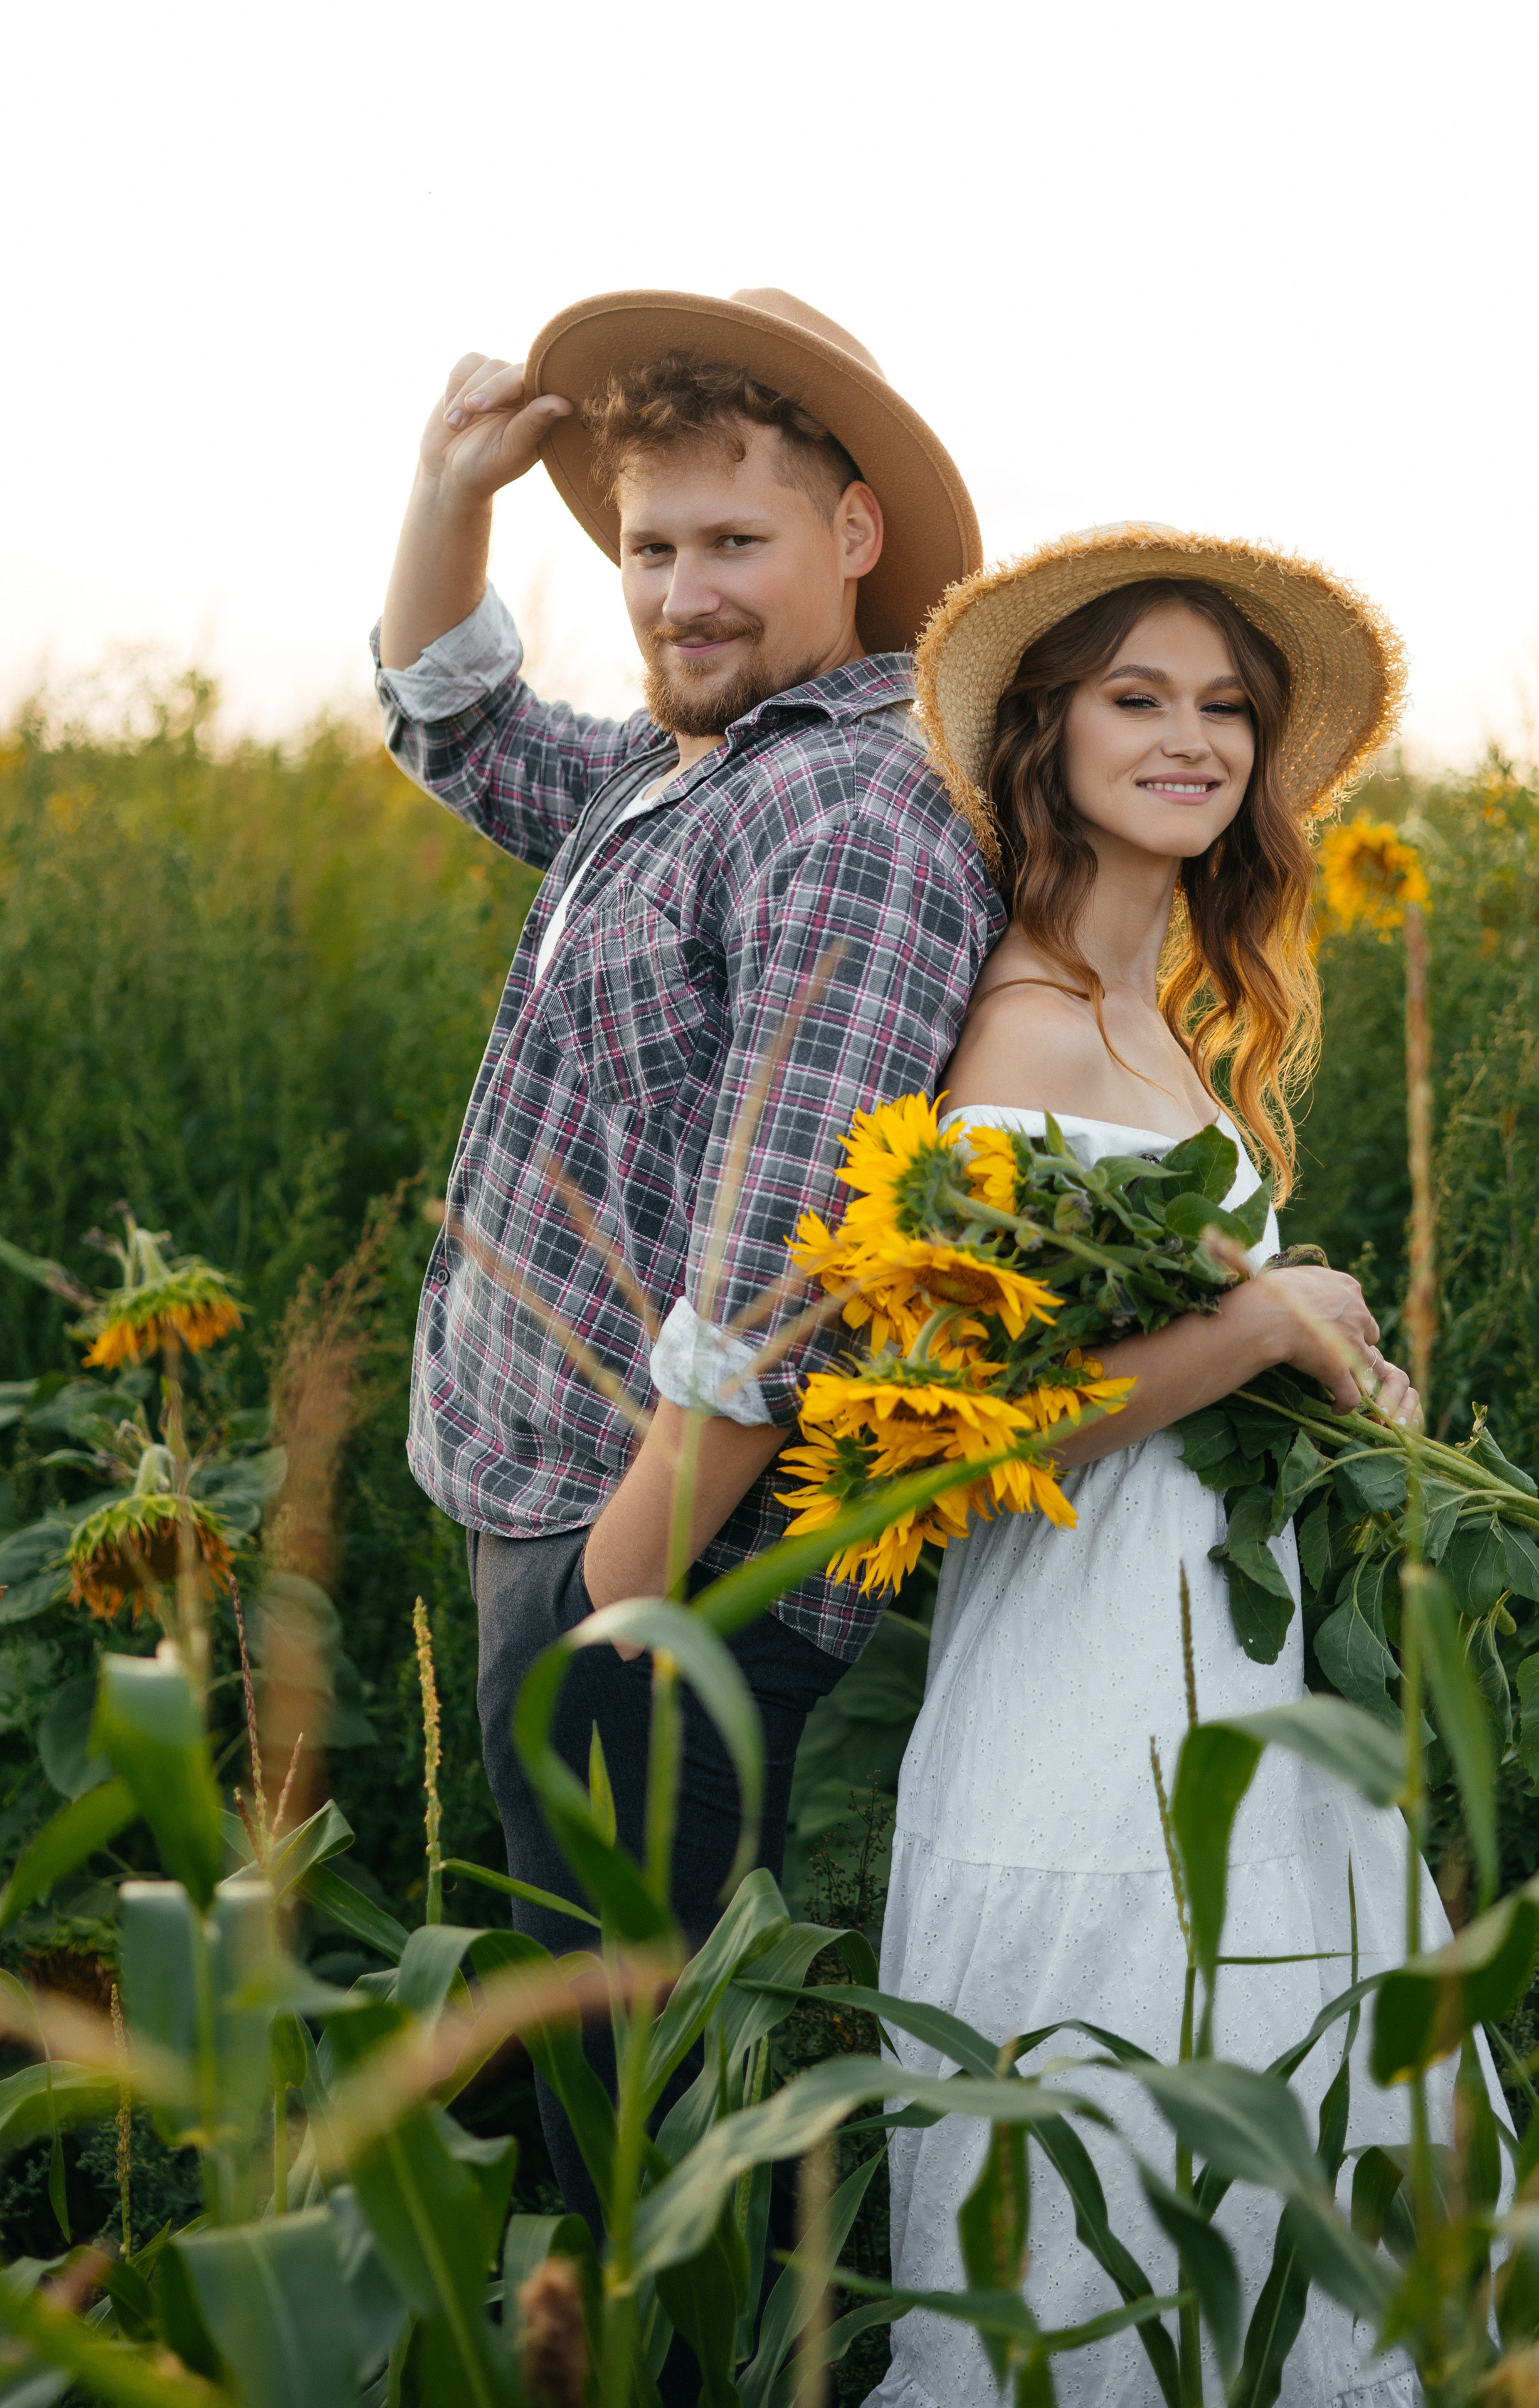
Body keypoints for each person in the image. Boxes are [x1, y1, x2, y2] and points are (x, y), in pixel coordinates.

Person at [371, 287, 1003, 2240]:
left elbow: (790, 1253)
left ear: (855, 533)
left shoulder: (855, 803)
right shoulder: (696, 769)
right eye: (650, 550)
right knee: (604, 2080)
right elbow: (460, 727)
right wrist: (451, 491)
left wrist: (619, 1594)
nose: (682, 593)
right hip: (563, 1497)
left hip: (664, 1556)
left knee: (670, 2141)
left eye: (735, 541)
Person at [863, 525, 1489, 2408]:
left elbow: (1201, 1358)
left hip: (1237, 1656)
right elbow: (965, 1438)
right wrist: (1263, 1324)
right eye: (1138, 698)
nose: (1192, 738)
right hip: (1088, 1681)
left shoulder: (1153, 1024)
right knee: (1121, 2144)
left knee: (1303, 2126)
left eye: (1225, 707)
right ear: (1047, 734)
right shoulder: (1023, 1035)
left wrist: (1328, 1375)